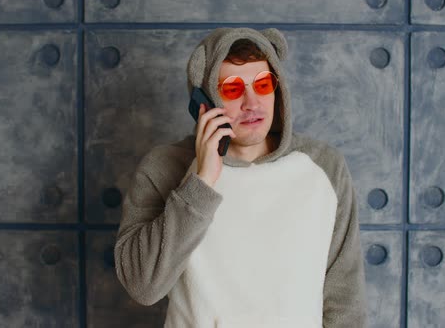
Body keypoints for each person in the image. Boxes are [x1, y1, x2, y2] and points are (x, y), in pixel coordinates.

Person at [114, 27, 367, 327]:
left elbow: (345, 304)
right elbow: (143, 286)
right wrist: (202, 179)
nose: (252, 103)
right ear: (204, 100)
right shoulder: (165, 167)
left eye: (262, 84)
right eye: (232, 89)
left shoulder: (324, 167)